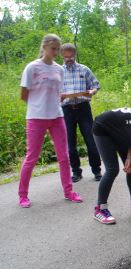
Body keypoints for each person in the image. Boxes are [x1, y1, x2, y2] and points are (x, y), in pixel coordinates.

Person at [18, 34, 83, 208]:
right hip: (36, 118)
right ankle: (23, 195)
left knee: (64, 156)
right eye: (53, 49)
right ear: (45, 47)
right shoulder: (32, 67)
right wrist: (39, 106)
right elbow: (23, 95)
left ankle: (68, 191)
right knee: (31, 157)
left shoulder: (59, 70)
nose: (55, 53)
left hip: (57, 116)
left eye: (57, 50)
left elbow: (57, 93)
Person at [60, 43, 102, 183]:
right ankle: (76, 172)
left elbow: (96, 85)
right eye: (66, 56)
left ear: (75, 54)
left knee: (91, 140)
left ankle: (97, 171)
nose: (69, 58)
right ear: (62, 56)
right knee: (70, 144)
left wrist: (92, 91)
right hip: (67, 110)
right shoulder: (58, 72)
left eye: (71, 55)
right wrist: (58, 95)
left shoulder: (84, 69)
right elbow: (54, 91)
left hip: (83, 108)